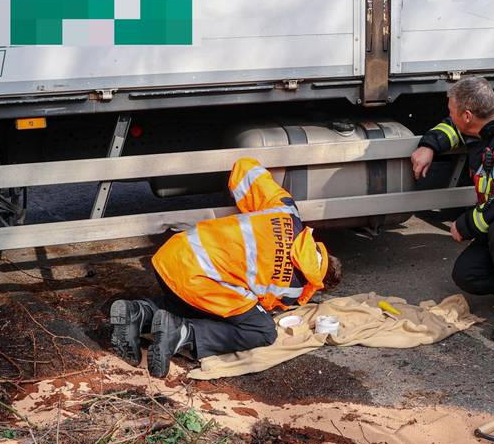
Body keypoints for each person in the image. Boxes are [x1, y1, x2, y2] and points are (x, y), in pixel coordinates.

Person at [110, 158, 341, 377]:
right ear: (318, 284)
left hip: (172, 256)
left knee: (215, 302)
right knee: (262, 330)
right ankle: (182, 333)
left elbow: (245, 168)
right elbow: (249, 310)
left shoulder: (287, 212)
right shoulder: (293, 289)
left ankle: (138, 313)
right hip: (199, 280)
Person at [410, 77, 494, 342]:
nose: (449, 116)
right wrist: (428, 145)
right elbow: (453, 128)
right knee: (468, 275)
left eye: (452, 110)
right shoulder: (485, 126)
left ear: (469, 115)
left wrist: (467, 224)